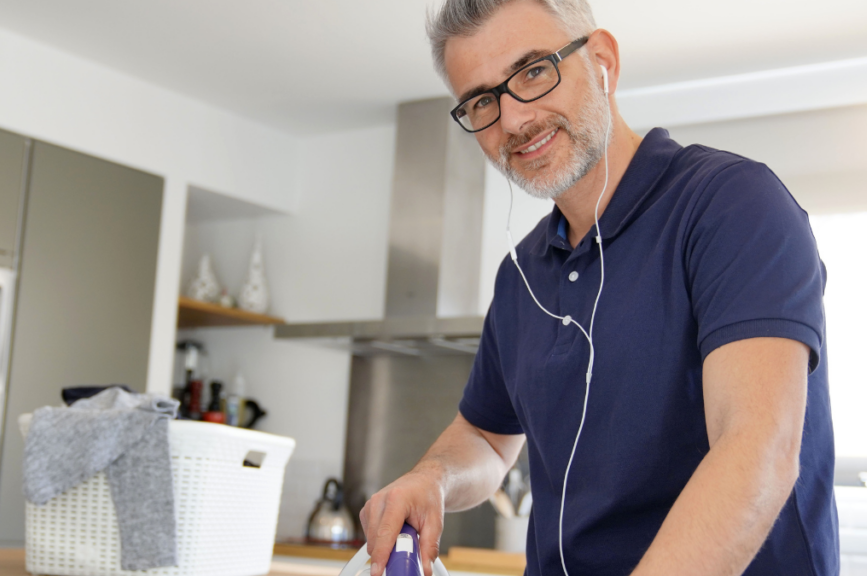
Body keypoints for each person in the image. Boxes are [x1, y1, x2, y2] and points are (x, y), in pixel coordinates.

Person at [359, 0, 838, 575]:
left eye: (533, 71)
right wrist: (431, 479)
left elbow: (756, 448)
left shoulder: (731, 205)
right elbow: (487, 439)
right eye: (483, 100)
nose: (513, 120)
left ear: (603, 60)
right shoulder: (522, 275)